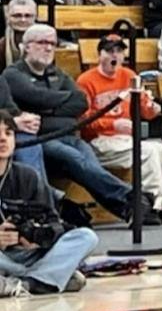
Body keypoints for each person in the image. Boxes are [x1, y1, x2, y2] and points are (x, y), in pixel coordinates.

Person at [3, 23, 139, 220]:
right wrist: (57, 106)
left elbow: (81, 102)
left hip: (69, 135)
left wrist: (45, 109)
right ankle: (130, 196)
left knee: (90, 165)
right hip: (42, 140)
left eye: (52, 43)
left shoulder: (58, 74)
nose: (49, 48)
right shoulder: (13, 74)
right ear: (26, 46)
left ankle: (129, 208)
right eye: (42, 42)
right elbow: (36, 96)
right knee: (75, 160)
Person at [75, 32, 162, 223]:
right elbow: (82, 120)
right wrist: (113, 123)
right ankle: (149, 204)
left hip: (125, 140)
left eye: (119, 51)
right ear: (99, 54)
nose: (114, 56)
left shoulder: (129, 75)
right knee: (148, 151)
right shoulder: (86, 81)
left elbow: (145, 111)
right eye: (109, 51)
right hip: (99, 140)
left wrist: (153, 109)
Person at [0, 110, 97, 297]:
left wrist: (36, 237)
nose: (3, 139)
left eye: (8, 133)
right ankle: (51, 276)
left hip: (28, 255)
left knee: (86, 237)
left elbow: (53, 220)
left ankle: (27, 282)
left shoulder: (28, 176)